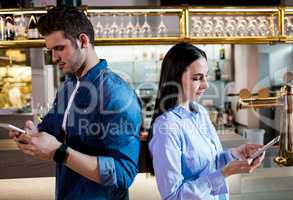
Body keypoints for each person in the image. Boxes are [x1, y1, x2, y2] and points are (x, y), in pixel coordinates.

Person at [9, 6, 142, 200]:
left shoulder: (116, 94)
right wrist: (32, 134)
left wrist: (59, 152)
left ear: (83, 41)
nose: (54, 58)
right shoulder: (69, 86)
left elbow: (123, 173)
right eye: (50, 50)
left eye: (59, 48)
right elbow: (51, 128)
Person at [148, 42, 264, 200]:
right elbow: (173, 196)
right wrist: (225, 173)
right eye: (197, 78)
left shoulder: (199, 112)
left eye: (206, 76)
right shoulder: (166, 126)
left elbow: (209, 164)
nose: (206, 84)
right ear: (175, 78)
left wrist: (236, 154)